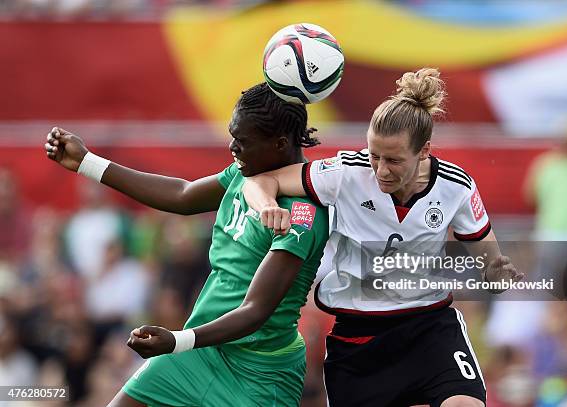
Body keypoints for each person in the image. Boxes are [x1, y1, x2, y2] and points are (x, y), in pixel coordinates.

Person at [244, 68, 523, 407]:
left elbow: (490, 261)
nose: (380, 170)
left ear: (424, 152)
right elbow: (259, 181)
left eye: (393, 160)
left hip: (428, 327)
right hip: (358, 340)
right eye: (374, 155)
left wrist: (496, 275)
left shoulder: (456, 187)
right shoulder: (346, 173)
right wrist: (267, 206)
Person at [44, 83, 329, 407]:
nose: (233, 148)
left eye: (243, 141)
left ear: (279, 144)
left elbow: (255, 311)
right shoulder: (246, 173)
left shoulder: (303, 213)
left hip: (259, 374)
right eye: (233, 135)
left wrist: (178, 340)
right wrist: (87, 163)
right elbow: (182, 194)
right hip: (199, 353)